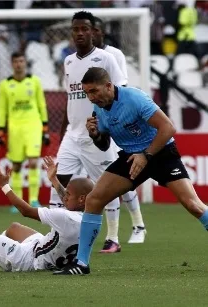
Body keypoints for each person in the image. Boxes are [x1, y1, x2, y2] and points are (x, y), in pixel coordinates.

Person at [55, 67, 208, 275]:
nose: (91, 97)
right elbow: (103, 144)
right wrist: (95, 135)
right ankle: (81, 264)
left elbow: (168, 128)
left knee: (194, 205)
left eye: (94, 91)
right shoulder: (98, 109)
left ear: (109, 86)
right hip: (130, 157)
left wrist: (146, 155)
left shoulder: (134, 98)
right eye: (87, 93)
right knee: (94, 199)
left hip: (161, 152)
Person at [50, 11, 133, 254]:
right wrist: (63, 130)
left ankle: (113, 238)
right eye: (76, 29)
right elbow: (70, 98)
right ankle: (55, 235)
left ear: (92, 31)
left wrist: (109, 125)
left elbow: (120, 93)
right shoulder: (68, 62)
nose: (80, 33)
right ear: (71, 33)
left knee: (107, 186)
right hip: (72, 136)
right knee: (57, 182)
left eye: (85, 29)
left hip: (97, 136)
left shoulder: (106, 59)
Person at [90, 16, 147, 249]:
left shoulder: (114, 55)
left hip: (115, 121)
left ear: (102, 32)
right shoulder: (76, 59)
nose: (91, 34)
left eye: (94, 29)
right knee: (105, 181)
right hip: (94, 122)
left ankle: (135, 226)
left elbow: (120, 87)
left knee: (121, 179)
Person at [0, 52, 49, 213]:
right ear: (12, 64)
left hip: (33, 125)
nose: (19, 64)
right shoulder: (5, 85)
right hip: (15, 128)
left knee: (33, 162)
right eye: (16, 62)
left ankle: (33, 199)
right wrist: (0, 132)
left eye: (21, 61)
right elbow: (2, 109)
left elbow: (42, 104)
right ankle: (17, 202)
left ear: (25, 63)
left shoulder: (34, 82)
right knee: (17, 165)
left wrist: (45, 129)